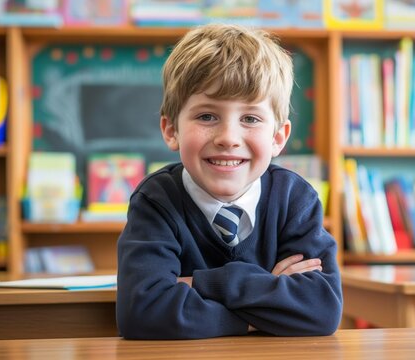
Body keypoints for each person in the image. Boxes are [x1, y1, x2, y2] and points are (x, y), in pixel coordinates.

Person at [116, 23, 343, 340]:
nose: (228, 138)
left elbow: (321, 309)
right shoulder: (156, 200)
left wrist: (199, 283)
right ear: (171, 130)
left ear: (278, 137)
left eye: (250, 118)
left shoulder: (295, 199)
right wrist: (267, 298)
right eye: (207, 116)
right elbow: (142, 312)